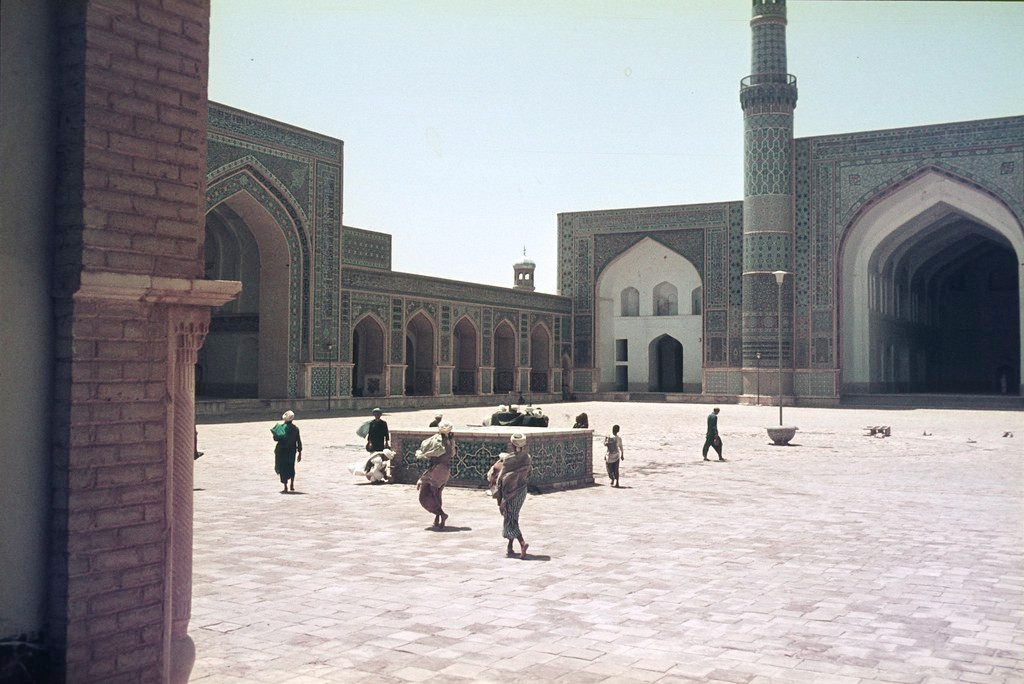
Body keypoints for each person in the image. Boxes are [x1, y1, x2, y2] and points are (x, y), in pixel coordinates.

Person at [488, 433, 532, 559]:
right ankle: (510, 546)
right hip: (521, 491)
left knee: (511, 518)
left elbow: (502, 478)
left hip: (510, 492)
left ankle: (522, 543)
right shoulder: (527, 457)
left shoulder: (509, 459)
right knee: (512, 516)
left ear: (512, 444)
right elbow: (529, 473)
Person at [417, 421, 455, 528]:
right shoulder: (448, 441)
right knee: (436, 494)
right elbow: (452, 453)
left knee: (432, 493)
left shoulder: (440, 442)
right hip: (442, 470)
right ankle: (438, 517)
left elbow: (434, 453)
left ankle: (441, 515)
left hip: (439, 469)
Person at [272, 410, 302, 493]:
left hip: (282, 451)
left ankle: (285, 486)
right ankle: (292, 484)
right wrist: (300, 453)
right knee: (291, 467)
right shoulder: (296, 429)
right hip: (292, 451)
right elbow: (298, 441)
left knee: (283, 468)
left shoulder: (282, 428)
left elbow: (276, 439)